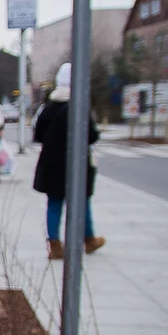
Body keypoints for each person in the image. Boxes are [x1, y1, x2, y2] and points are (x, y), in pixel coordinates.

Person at [33, 62, 105, 260]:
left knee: (54, 202)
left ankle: (54, 245)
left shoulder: (48, 107)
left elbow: (38, 134)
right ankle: (88, 239)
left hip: (52, 164)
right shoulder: (79, 107)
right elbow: (92, 136)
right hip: (76, 163)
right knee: (82, 201)